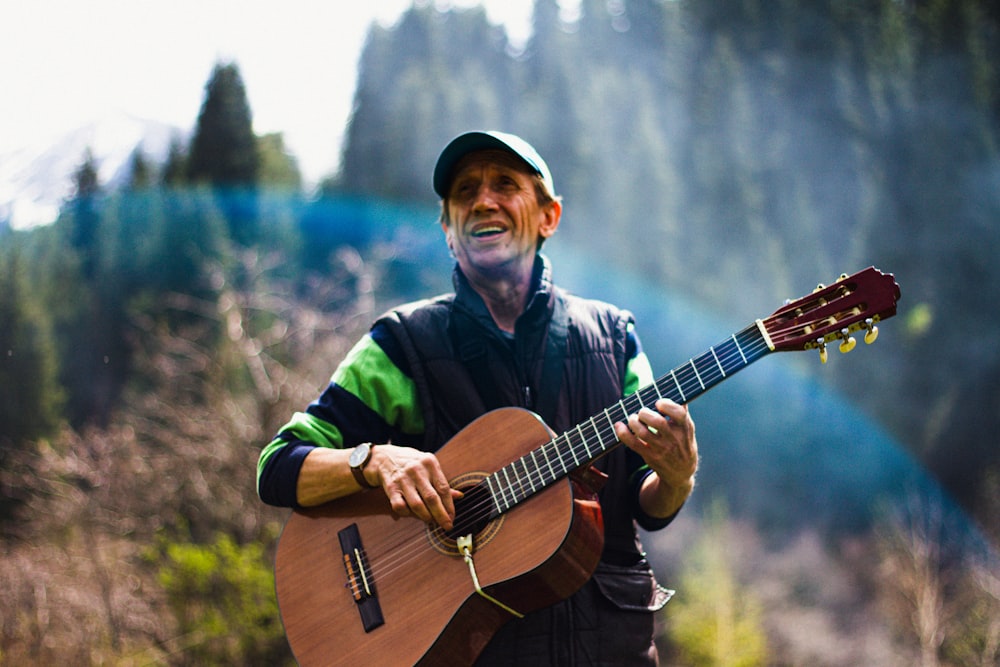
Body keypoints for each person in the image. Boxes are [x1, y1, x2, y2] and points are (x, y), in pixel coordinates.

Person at [257, 130, 699, 665]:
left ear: (548, 216)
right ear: (447, 228)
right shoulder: (401, 344)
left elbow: (645, 503)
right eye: (465, 191)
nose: (483, 200)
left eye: (505, 184)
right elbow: (278, 466)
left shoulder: (614, 337)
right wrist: (373, 460)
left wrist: (675, 478)